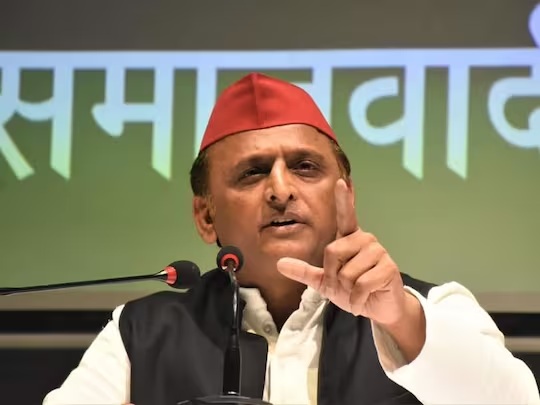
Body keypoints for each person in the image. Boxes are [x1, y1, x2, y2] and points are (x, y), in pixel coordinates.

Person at [43, 73, 539, 405]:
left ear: (345, 194)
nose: (281, 190)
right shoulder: (141, 333)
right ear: (206, 216)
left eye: (305, 167)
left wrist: (399, 318)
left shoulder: (431, 309)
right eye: (252, 173)